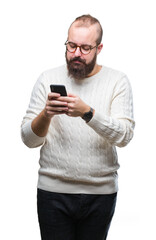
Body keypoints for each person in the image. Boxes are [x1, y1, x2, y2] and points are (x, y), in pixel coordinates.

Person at [21, 14, 135, 240]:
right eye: (71, 46)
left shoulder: (117, 81)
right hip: (52, 192)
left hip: (100, 194)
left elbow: (124, 136)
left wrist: (87, 112)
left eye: (85, 48)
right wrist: (46, 114)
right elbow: (28, 139)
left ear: (99, 48)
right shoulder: (47, 78)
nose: (76, 54)